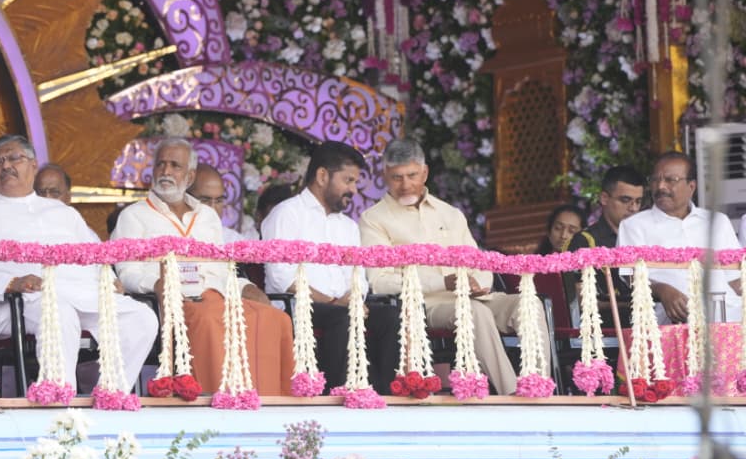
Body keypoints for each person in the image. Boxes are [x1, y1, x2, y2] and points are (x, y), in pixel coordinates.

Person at [0, 134, 158, 391]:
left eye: (14, 158)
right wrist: (12, 283)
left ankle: (112, 393)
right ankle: (60, 403)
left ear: (32, 165)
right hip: (19, 303)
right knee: (57, 312)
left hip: (80, 294)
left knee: (141, 317)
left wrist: (108, 279)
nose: (6, 165)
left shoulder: (62, 212)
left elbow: (92, 252)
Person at [359, 139, 549, 395]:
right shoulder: (374, 219)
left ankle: (540, 389)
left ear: (425, 173)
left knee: (528, 303)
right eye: (397, 177)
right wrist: (442, 282)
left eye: (412, 175)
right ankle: (513, 395)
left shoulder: (450, 214)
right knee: (472, 312)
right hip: (429, 304)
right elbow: (380, 281)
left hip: (475, 297)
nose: (405, 185)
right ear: (385, 177)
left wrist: (479, 283)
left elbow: (476, 262)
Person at [111, 138, 295, 396]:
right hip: (173, 301)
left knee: (277, 318)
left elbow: (221, 269)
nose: (165, 172)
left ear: (190, 175)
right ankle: (218, 401)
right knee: (209, 318)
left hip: (219, 296)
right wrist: (157, 284)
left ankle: (269, 401)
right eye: (161, 164)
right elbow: (127, 272)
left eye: (175, 166)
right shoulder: (134, 215)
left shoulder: (206, 216)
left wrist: (246, 286)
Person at [262, 142, 400, 394]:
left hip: (342, 306)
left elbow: (358, 276)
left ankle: (385, 396)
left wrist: (354, 299)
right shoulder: (287, 214)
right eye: (348, 180)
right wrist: (332, 301)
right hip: (298, 307)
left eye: (355, 182)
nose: (353, 190)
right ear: (322, 176)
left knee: (391, 317)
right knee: (342, 317)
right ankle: (339, 396)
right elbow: (281, 276)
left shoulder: (347, 226)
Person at [618, 151, 742, 324]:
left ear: (691, 186)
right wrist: (662, 290)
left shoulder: (717, 221)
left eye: (670, 180)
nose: (660, 186)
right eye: (655, 179)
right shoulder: (633, 226)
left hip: (729, 320)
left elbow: (736, 279)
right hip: (673, 324)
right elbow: (629, 277)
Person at [569, 165, 644, 325]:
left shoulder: (643, 238)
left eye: (638, 201)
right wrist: (629, 303)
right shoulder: (585, 241)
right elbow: (578, 298)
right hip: (605, 333)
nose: (633, 208)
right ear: (604, 198)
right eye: (625, 200)